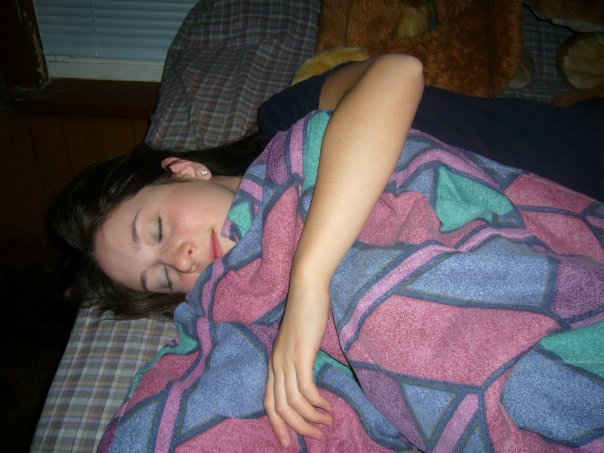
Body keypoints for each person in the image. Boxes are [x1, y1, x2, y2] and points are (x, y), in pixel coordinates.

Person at [50, 54, 603, 449]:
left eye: (158, 229)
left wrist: (309, 285)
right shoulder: (237, 298)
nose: (181, 259)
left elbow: (398, 72)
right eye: (164, 279)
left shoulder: (287, 125)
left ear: (182, 170)